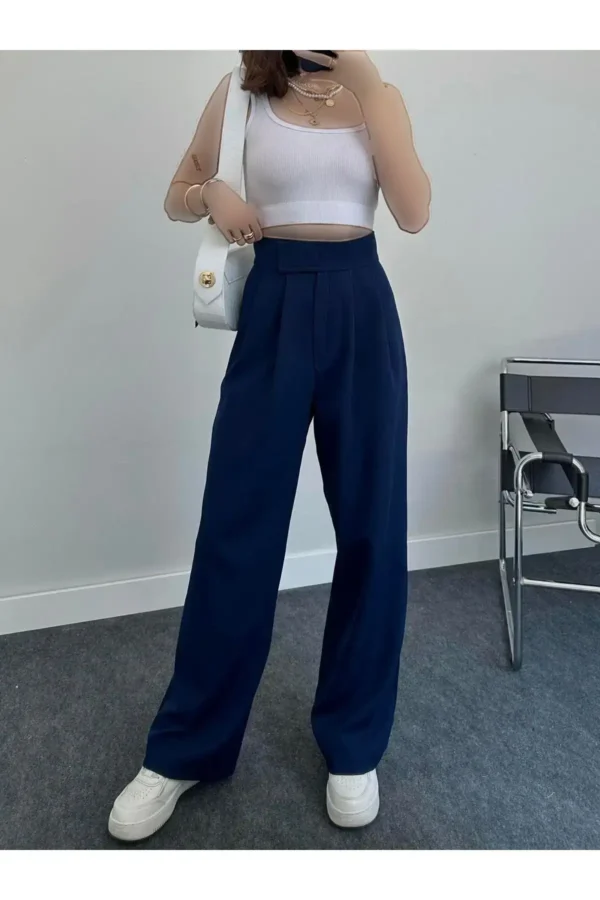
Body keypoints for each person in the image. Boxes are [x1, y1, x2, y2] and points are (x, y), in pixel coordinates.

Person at [108, 50, 431, 842]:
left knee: (371, 530)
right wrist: (211, 194)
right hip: (274, 301)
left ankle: (353, 745)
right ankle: (186, 747)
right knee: (237, 528)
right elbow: (176, 193)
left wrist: (365, 79)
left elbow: (415, 212)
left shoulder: (379, 95)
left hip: (360, 305)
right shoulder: (241, 93)